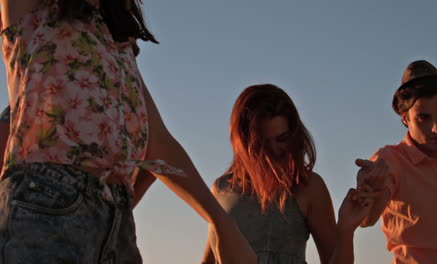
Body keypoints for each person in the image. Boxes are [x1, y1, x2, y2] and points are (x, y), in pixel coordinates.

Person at [0, 1, 256, 263]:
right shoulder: (31, 10)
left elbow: (158, 142)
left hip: (118, 224)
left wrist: (223, 224)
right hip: (44, 210)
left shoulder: (117, 45)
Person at [202, 84, 375, 264]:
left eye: (282, 139)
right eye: (262, 144)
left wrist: (346, 231)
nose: (275, 151)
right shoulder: (221, 189)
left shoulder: (309, 187)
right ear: (244, 142)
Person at [356, 60, 437, 263]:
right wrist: (371, 191)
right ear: (405, 118)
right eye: (423, 118)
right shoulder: (389, 161)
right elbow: (366, 219)